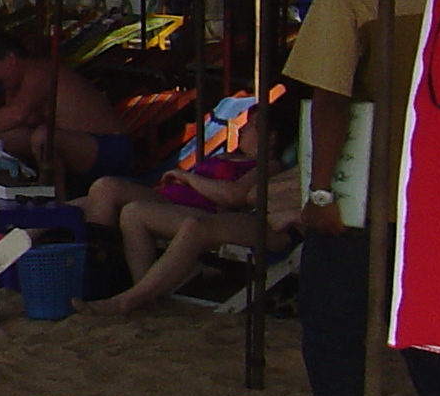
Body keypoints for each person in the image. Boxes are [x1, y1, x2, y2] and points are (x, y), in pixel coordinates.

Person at [277, 0, 440, 396]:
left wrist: (319, 192)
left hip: (367, 200)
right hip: (439, 196)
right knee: (431, 332)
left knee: (335, 329)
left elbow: (331, 101)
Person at [70, 111, 299, 315]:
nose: (242, 129)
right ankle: (140, 291)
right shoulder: (228, 157)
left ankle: (108, 285)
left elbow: (236, 196)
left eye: (251, 126)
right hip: (174, 200)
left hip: (200, 210)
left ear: (271, 137)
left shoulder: (268, 166)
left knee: (110, 191)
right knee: (123, 208)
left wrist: (189, 178)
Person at [0, 34, 131, 190]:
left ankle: (55, 198)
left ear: (11, 59)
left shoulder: (41, 70)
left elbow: (16, 115)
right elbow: (13, 127)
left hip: (109, 148)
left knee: (43, 137)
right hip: (77, 146)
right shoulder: (16, 85)